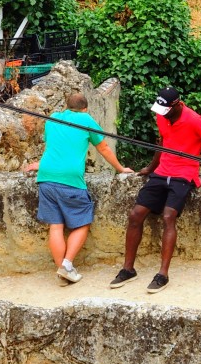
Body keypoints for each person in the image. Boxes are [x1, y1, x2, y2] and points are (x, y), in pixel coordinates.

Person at [110, 86, 201, 293]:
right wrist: (151, 168)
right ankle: (128, 269)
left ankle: (163, 274)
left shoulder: (194, 120)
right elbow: (163, 143)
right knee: (135, 214)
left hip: (184, 174)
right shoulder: (162, 117)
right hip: (162, 172)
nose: (161, 114)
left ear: (177, 105)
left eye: (164, 110)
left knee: (168, 216)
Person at [24, 93, 133, 284]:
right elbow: (104, 148)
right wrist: (120, 168)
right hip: (70, 179)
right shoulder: (86, 120)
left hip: (47, 177)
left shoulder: (53, 118)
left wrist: (41, 164)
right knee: (82, 222)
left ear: (67, 106)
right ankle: (66, 265)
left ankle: (63, 271)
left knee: (55, 226)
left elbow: (54, 146)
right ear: (85, 108)